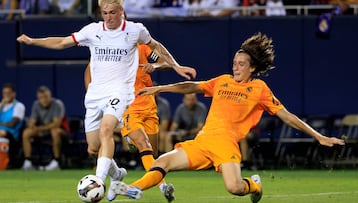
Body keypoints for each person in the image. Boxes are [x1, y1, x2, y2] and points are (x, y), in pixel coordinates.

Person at [109, 32, 345, 202]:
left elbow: (288, 117)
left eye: (241, 64)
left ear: (252, 68)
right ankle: (129, 188)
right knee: (162, 162)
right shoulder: (222, 81)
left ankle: (254, 185)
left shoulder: (260, 89)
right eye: (234, 63)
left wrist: (319, 136)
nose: (236, 67)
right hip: (203, 143)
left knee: (234, 187)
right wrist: (159, 89)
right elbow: (191, 86)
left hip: (226, 145)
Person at [17, 0, 195, 200]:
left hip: (125, 94)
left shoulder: (136, 32)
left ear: (122, 11)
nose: (109, 17)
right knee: (93, 148)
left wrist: (175, 66)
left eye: (112, 12)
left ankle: (99, 181)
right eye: (105, 13)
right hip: (97, 96)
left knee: (114, 132)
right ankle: (117, 174)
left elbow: (157, 47)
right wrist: (33, 41)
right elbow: (62, 42)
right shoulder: (93, 31)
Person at [84, 44, 196, 201]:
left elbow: (165, 62)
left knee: (153, 155)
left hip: (149, 103)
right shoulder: (109, 48)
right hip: (127, 104)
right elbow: (90, 71)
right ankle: (163, 187)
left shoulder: (142, 47)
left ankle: (128, 152)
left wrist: (155, 66)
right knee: (144, 144)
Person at [21, 86, 70, 170]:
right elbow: (32, 122)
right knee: (27, 132)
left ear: (50, 96)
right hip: (43, 131)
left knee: (55, 131)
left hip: (62, 132)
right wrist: (33, 126)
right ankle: (28, 161)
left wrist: (39, 129)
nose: (44, 100)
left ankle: (56, 162)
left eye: (46, 97)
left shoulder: (57, 104)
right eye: (41, 98)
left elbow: (56, 124)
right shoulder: (36, 104)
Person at [0, 83, 26, 169]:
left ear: (14, 94)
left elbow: (12, 124)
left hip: (12, 135)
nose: (6, 95)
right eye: (4, 93)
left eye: (8, 93)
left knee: (2, 133)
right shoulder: (2, 106)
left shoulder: (19, 106)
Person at [154, 89, 172, 154]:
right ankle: (133, 160)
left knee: (162, 134)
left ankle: (159, 156)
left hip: (158, 128)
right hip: (144, 127)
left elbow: (164, 125)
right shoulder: (142, 104)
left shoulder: (163, 104)